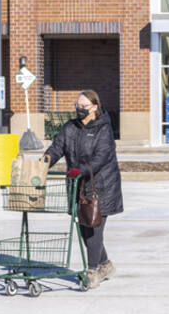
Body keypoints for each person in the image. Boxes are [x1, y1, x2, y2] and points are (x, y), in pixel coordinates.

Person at [44, 88, 123, 286]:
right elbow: (56, 148)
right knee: (84, 229)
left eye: (83, 106)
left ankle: (92, 272)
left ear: (94, 107)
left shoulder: (103, 129)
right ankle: (105, 264)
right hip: (78, 187)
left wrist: (80, 170)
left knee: (93, 228)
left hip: (101, 187)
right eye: (77, 106)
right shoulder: (70, 127)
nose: (79, 109)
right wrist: (41, 165)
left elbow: (101, 158)